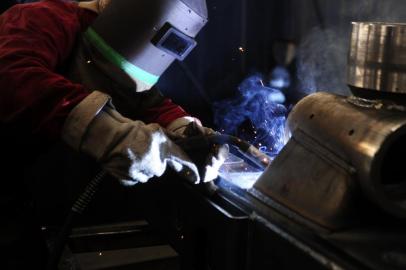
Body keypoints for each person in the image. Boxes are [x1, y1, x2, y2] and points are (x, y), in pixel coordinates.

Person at [0, 0, 227, 268]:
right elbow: (11, 77)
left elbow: (146, 102)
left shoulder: (131, 64)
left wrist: (187, 131)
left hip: (35, 205)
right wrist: (108, 131)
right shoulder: (41, 17)